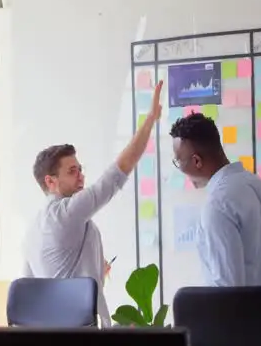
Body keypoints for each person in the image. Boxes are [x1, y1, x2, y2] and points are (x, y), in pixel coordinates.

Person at [22, 80, 164, 325]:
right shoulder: (65, 213)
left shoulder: (34, 228)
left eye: (80, 169)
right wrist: (150, 120)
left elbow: (32, 292)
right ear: (51, 181)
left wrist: (95, 269)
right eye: (72, 171)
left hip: (57, 331)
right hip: (79, 335)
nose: (81, 176)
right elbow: (116, 175)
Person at [169, 112, 261, 287]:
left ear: (197, 161)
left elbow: (228, 288)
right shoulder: (258, 186)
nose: (180, 169)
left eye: (178, 162)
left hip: (232, 313)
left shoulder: (218, 205)